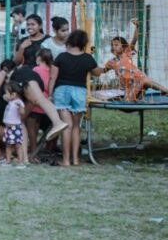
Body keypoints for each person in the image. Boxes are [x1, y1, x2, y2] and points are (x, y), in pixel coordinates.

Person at [50, 29, 100, 166]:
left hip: (62, 91)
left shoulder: (61, 57)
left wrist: (50, 94)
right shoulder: (88, 58)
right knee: (76, 126)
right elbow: (97, 73)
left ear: (70, 41)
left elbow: (52, 78)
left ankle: (66, 160)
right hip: (79, 92)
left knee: (66, 126)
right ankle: (76, 159)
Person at [103, 19, 168, 102]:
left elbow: (134, 40)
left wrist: (137, 27)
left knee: (145, 80)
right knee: (129, 101)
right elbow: (103, 70)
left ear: (123, 47)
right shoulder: (111, 62)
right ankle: (141, 99)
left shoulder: (126, 53)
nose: (113, 47)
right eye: (112, 45)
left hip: (137, 78)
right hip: (129, 86)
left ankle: (165, 90)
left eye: (116, 45)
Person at [1, 81, 28, 166]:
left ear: (13, 94)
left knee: (18, 145)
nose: (5, 95)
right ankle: (8, 161)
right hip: (8, 127)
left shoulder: (18, 102)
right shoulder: (11, 101)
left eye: (7, 93)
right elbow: (4, 97)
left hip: (15, 127)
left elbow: (22, 113)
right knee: (8, 145)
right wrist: (7, 95)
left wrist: (19, 108)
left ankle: (21, 162)